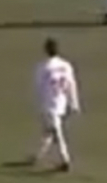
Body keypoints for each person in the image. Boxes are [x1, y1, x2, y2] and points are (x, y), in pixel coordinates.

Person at [30, 38, 81, 173]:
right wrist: (74, 103)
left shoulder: (42, 67)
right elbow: (72, 84)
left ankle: (65, 160)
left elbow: (38, 87)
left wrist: (39, 103)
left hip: (48, 104)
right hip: (61, 103)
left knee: (57, 132)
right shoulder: (66, 65)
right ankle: (37, 156)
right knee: (49, 131)